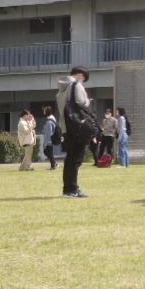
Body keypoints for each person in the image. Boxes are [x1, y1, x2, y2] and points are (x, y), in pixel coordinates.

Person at [57, 66, 94, 198]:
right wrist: (87, 101)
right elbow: (81, 102)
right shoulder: (76, 85)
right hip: (77, 126)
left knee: (70, 159)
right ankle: (72, 189)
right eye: (84, 79)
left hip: (67, 127)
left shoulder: (61, 89)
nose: (82, 81)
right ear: (80, 75)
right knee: (76, 160)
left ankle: (68, 189)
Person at [42, 106, 59, 170]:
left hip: (49, 140)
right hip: (51, 140)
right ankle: (54, 164)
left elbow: (48, 133)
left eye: (44, 111)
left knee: (47, 152)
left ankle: (54, 165)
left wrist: (45, 143)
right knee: (49, 153)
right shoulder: (52, 119)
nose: (43, 112)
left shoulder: (49, 121)